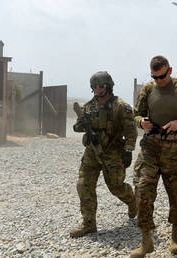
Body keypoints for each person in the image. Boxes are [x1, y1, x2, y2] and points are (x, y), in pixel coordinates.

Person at [131, 56, 177, 256]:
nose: (159, 81)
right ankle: (146, 240)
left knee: (176, 193)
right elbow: (136, 114)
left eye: (162, 76)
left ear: (170, 71)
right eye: (155, 77)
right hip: (150, 148)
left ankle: (176, 235)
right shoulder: (147, 89)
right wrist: (140, 122)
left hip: (175, 149)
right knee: (143, 190)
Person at [70, 71, 138, 238]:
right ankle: (89, 223)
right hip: (92, 152)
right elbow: (77, 127)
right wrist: (81, 125)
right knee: (83, 184)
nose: (98, 90)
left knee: (116, 187)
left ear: (108, 86)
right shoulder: (88, 107)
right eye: (95, 87)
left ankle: (133, 201)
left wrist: (128, 151)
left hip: (113, 153)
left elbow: (131, 131)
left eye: (101, 86)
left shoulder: (121, 106)